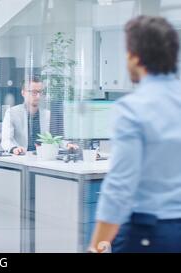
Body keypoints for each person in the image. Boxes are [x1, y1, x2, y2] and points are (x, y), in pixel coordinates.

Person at [89, 16, 181, 253]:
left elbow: (119, 186)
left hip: (148, 233)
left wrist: (97, 248)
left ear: (136, 56)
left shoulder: (132, 108)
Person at [1, 76, 51, 155]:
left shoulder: (47, 115)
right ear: (23, 92)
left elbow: (55, 138)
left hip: (44, 158)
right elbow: (6, 140)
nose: (38, 96)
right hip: (22, 158)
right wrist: (14, 148)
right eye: (34, 92)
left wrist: (67, 145)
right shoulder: (12, 113)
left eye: (40, 92)